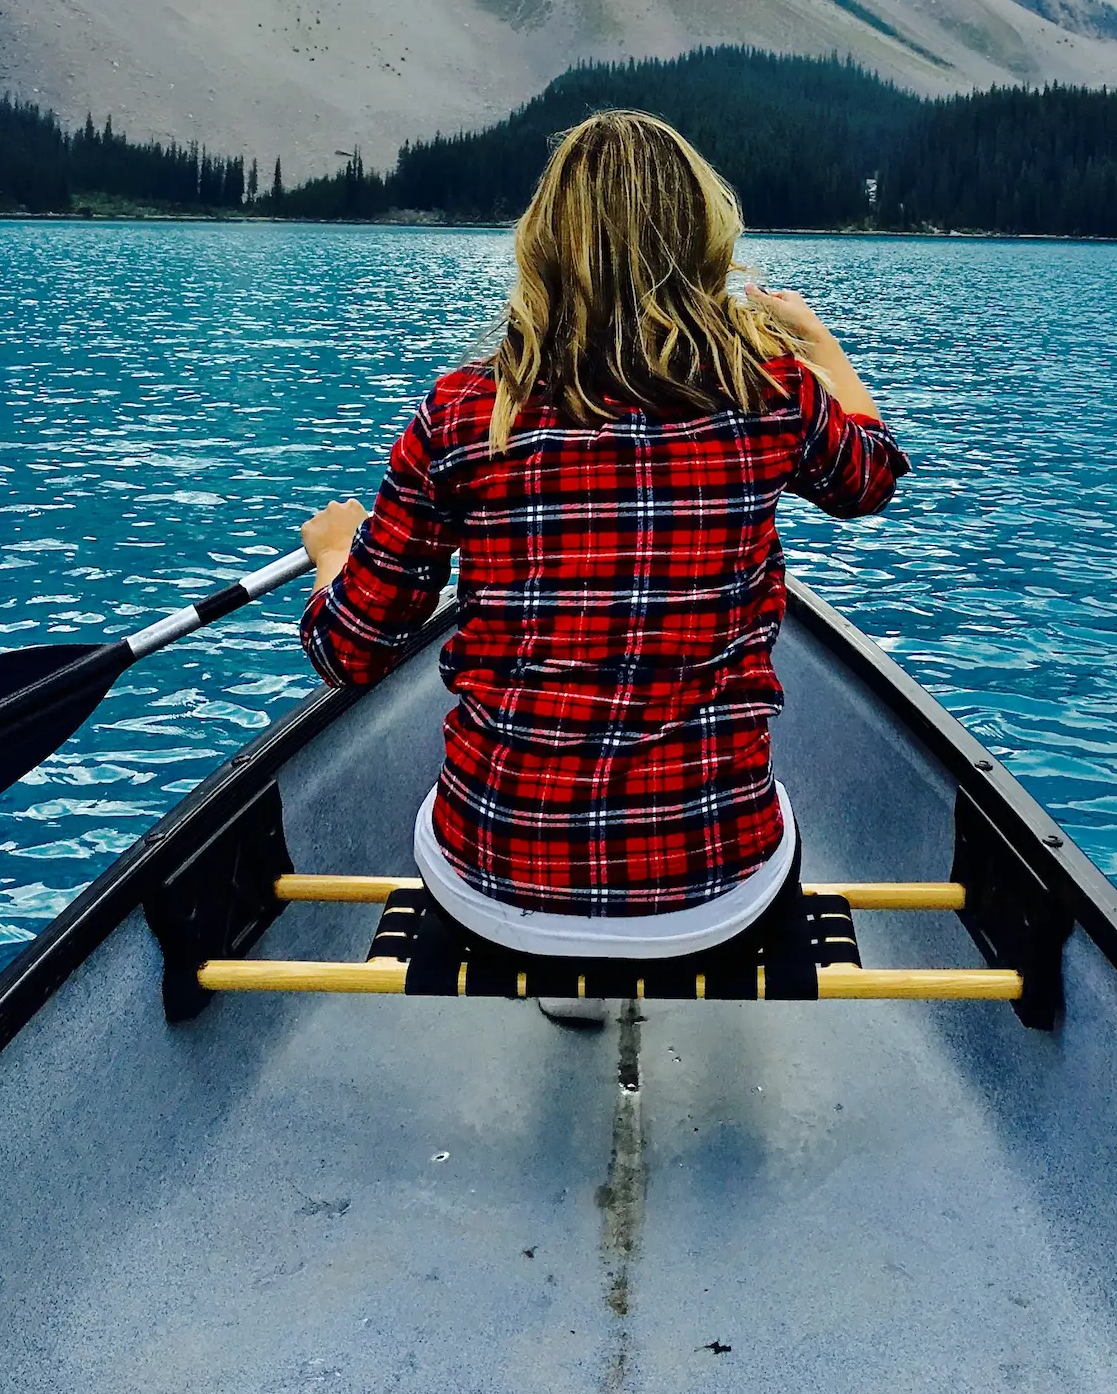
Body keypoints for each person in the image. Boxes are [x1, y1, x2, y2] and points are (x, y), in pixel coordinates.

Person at [298, 109, 909, 963]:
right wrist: (822, 348)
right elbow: (870, 475)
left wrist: (334, 560)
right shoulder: (769, 392)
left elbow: (350, 651)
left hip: (493, 873)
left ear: (543, 245)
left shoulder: (466, 411)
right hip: (716, 881)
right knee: (760, 845)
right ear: (704, 239)